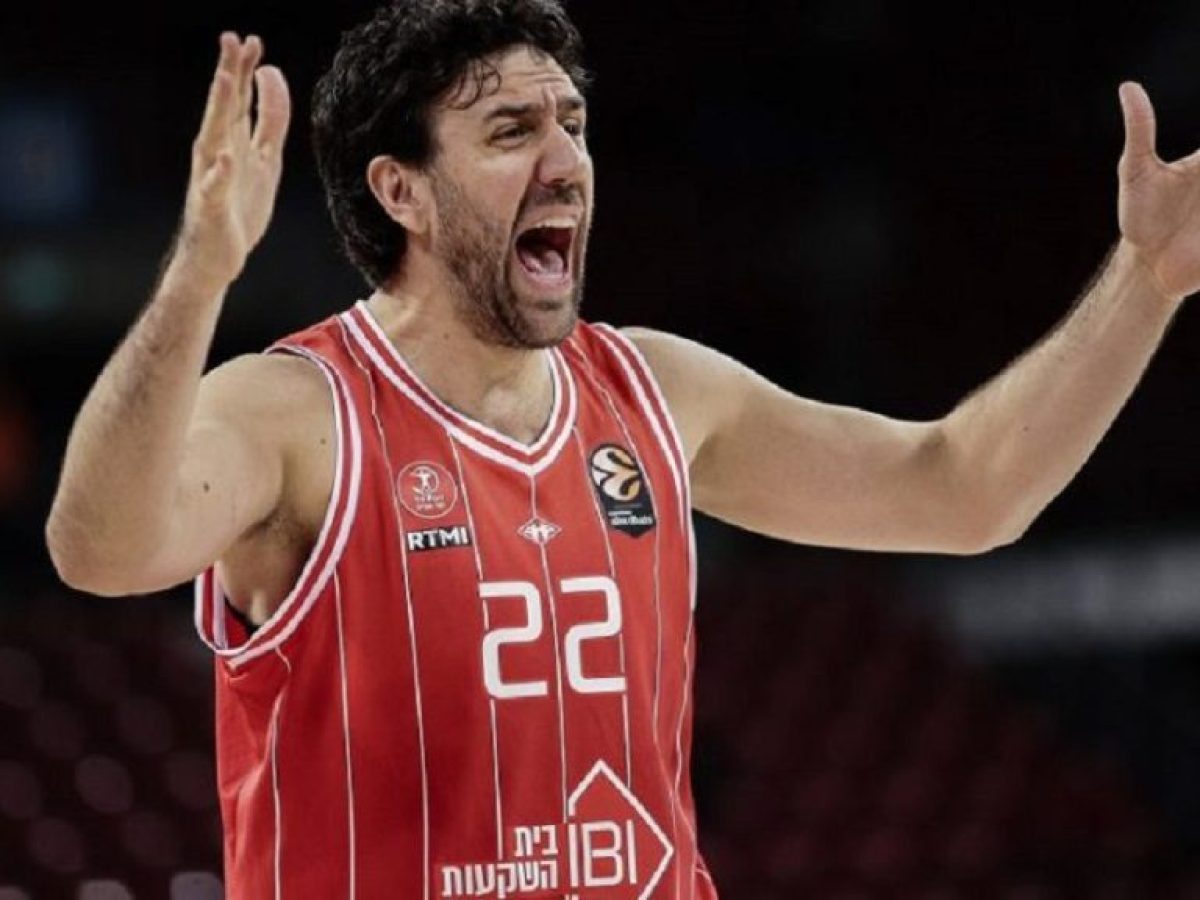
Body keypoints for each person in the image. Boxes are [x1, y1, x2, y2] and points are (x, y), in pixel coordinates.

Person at [44, 0, 1199, 897]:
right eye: (513, 131)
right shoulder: (296, 411)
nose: (567, 161)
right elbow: (98, 547)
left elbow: (965, 492)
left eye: (574, 126)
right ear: (402, 191)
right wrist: (198, 276)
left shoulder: (659, 391)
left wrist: (1147, 281)